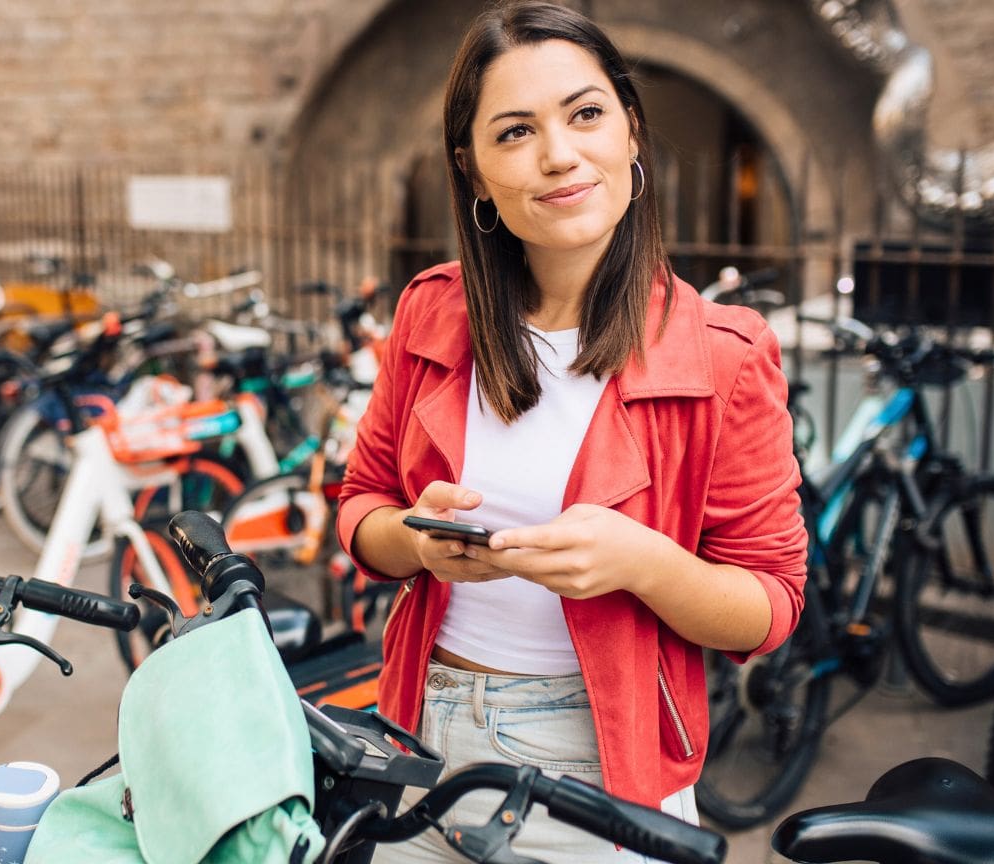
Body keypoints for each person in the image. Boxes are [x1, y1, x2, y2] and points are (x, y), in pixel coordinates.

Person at [336, 4, 807, 861]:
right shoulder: (431, 313)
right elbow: (361, 502)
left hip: (595, 759)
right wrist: (415, 540)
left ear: (630, 130)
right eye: (515, 132)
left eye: (585, 113)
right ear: (473, 172)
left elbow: (769, 607)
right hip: (415, 729)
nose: (558, 154)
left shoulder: (724, 355)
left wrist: (641, 563)